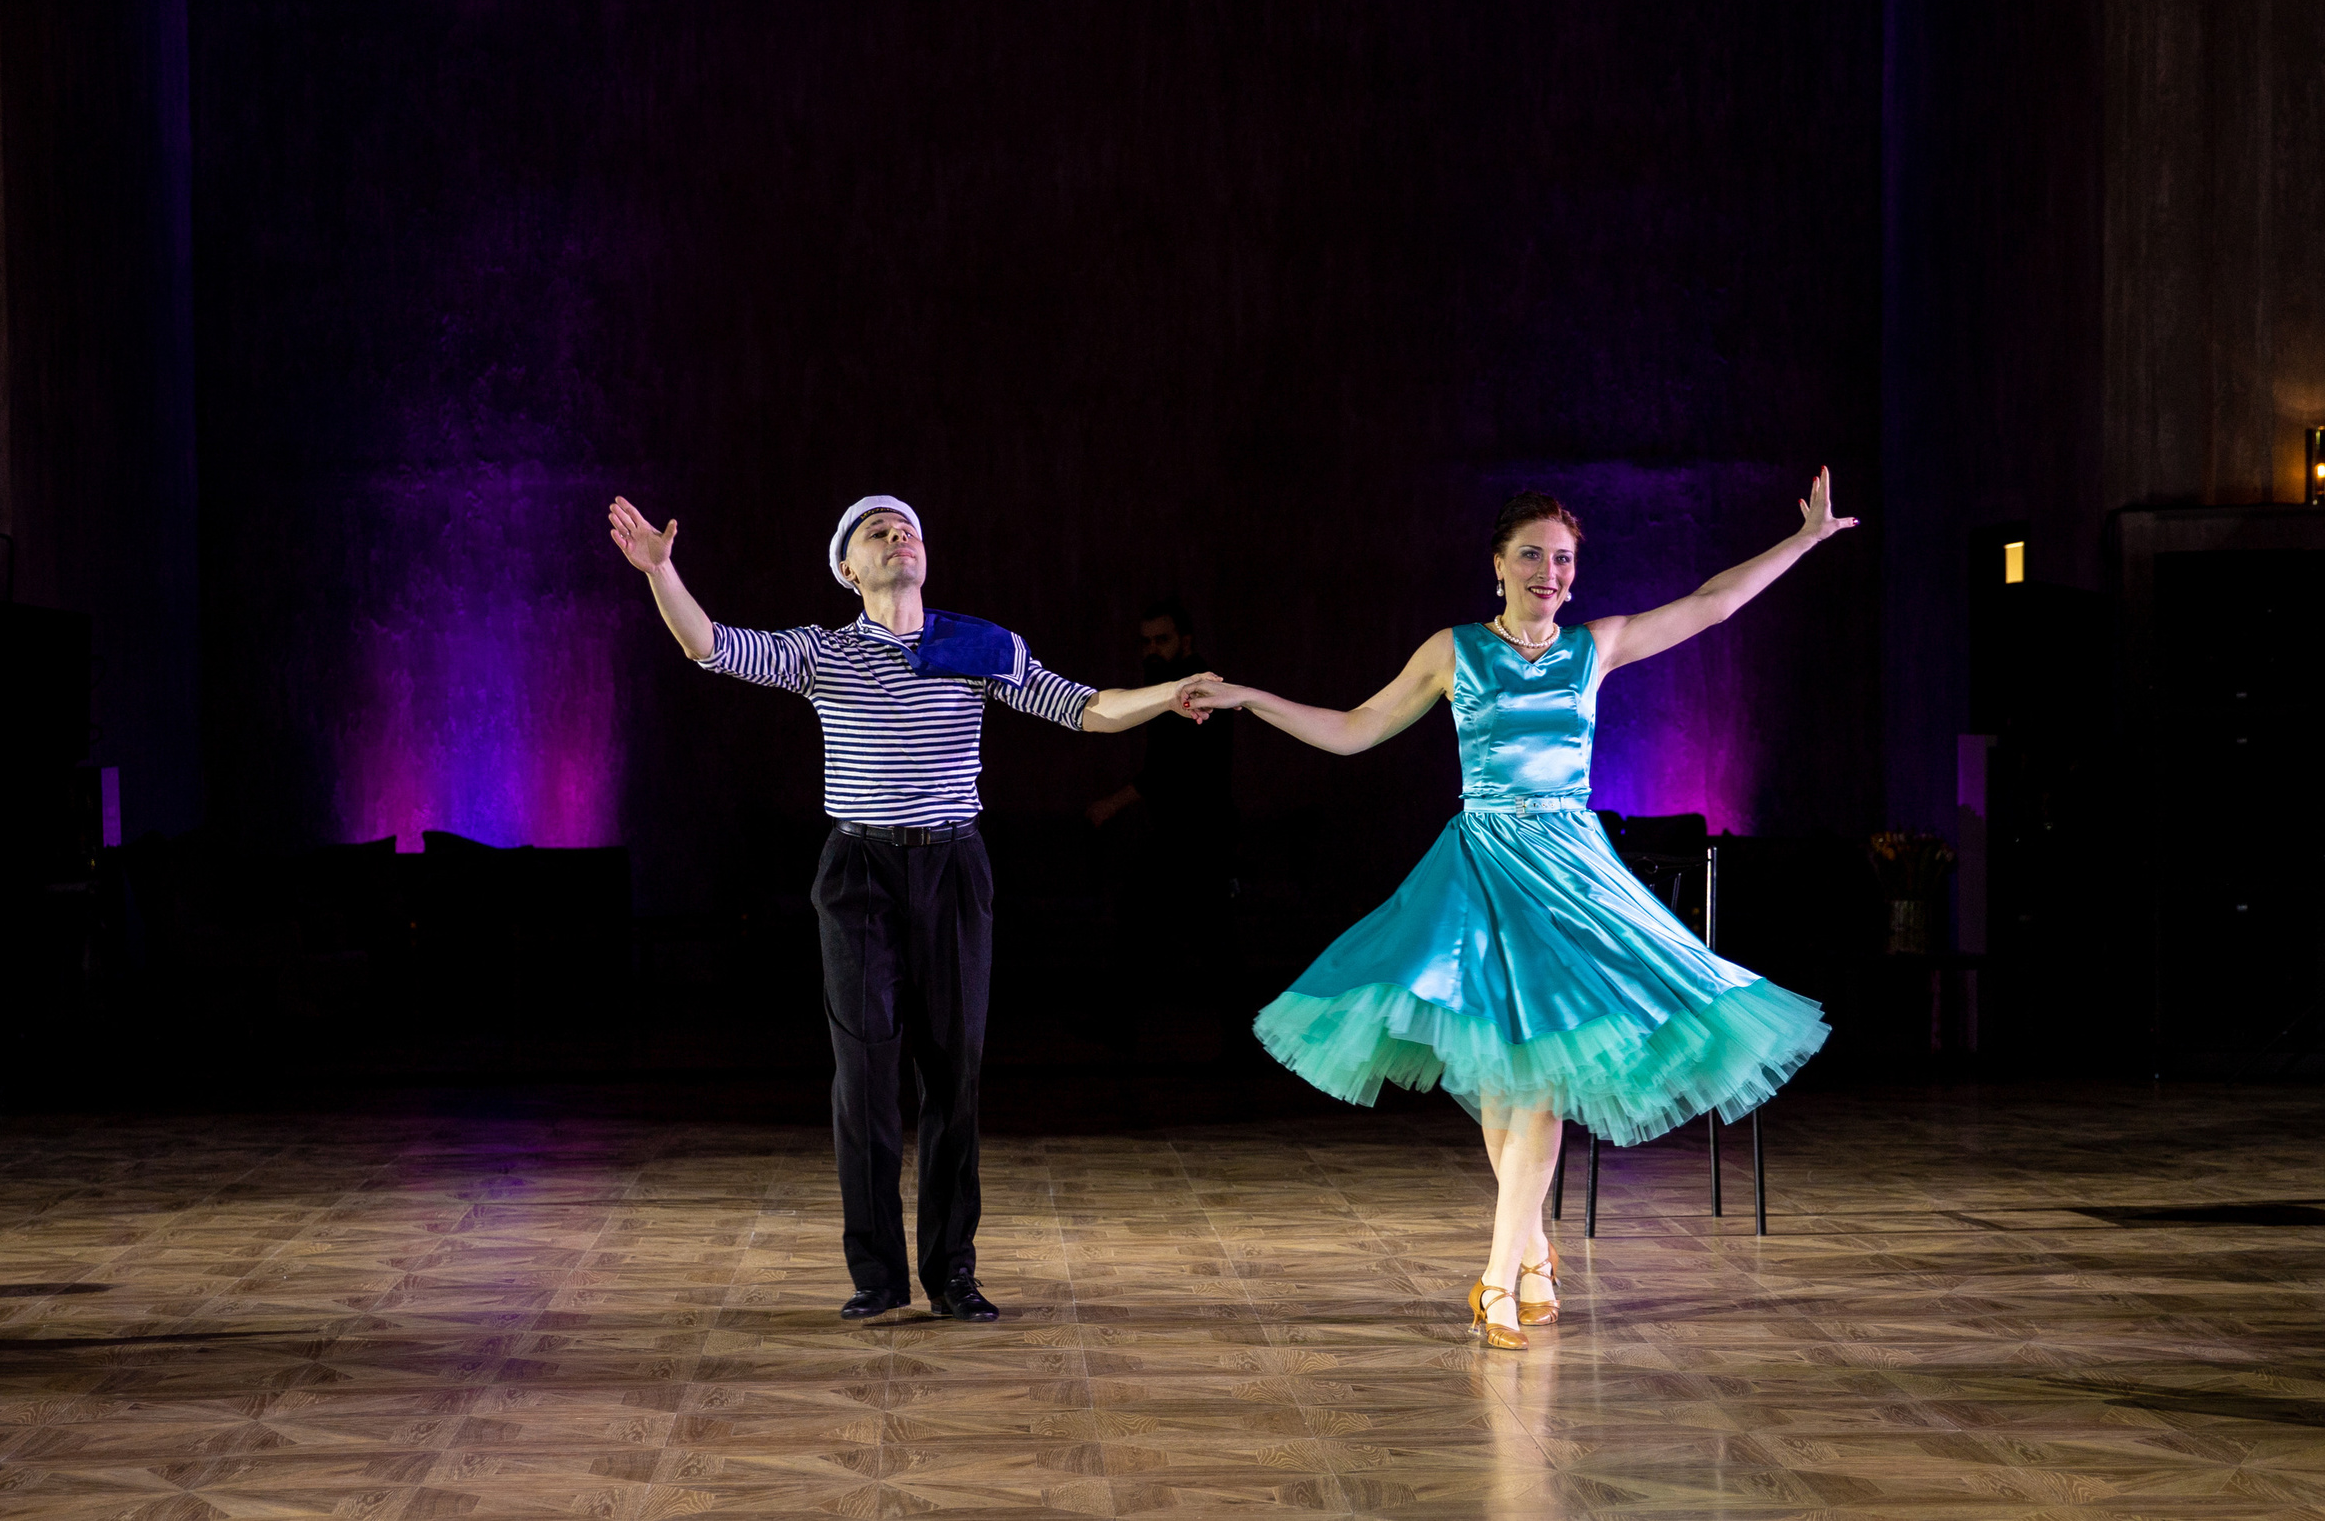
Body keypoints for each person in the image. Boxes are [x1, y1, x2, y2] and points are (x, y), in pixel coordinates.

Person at [1182, 472, 1852, 1349]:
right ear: (1497, 563)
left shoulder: (1593, 648)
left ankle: (1500, 1277)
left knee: (1536, 1082)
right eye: (1532, 555)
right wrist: (1249, 699)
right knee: (1508, 1089)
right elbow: (1353, 729)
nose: (1550, 573)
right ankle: (1530, 1251)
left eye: (1563, 559)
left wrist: (1800, 541)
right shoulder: (1453, 650)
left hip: (1574, 880)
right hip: (1484, 873)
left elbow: (1710, 604)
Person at [607, 491, 1210, 1323]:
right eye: (877, 532)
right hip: (859, 872)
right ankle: (878, 1276)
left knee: (953, 1076)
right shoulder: (824, 652)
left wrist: (1168, 694)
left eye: (909, 529)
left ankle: (952, 1271)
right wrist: (662, 570)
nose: (900, 536)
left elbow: (1086, 707)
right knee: (864, 1079)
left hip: (953, 868)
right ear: (849, 569)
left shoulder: (980, 646)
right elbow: (709, 646)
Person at [1088, 599, 1235, 1056]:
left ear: (1185, 642)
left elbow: (1171, 770)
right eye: (1145, 641)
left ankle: (1118, 1030)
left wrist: (1112, 804)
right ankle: (1119, 1029)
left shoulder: (1195, 691)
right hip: (1183, 834)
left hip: (1197, 836)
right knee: (1197, 938)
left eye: (1162, 640)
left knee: (1199, 939)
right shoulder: (1167, 687)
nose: (1151, 648)